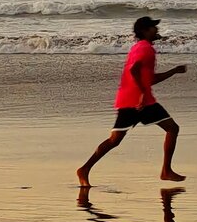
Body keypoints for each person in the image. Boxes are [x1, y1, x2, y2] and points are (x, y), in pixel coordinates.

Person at [77, 16, 186, 186]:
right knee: (172, 128)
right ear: (144, 31)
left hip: (132, 99)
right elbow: (134, 70)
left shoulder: (139, 47)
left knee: (115, 140)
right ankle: (166, 171)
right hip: (139, 101)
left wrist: (173, 71)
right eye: (153, 27)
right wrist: (142, 94)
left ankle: (85, 169)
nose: (156, 30)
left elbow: (149, 79)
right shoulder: (145, 49)